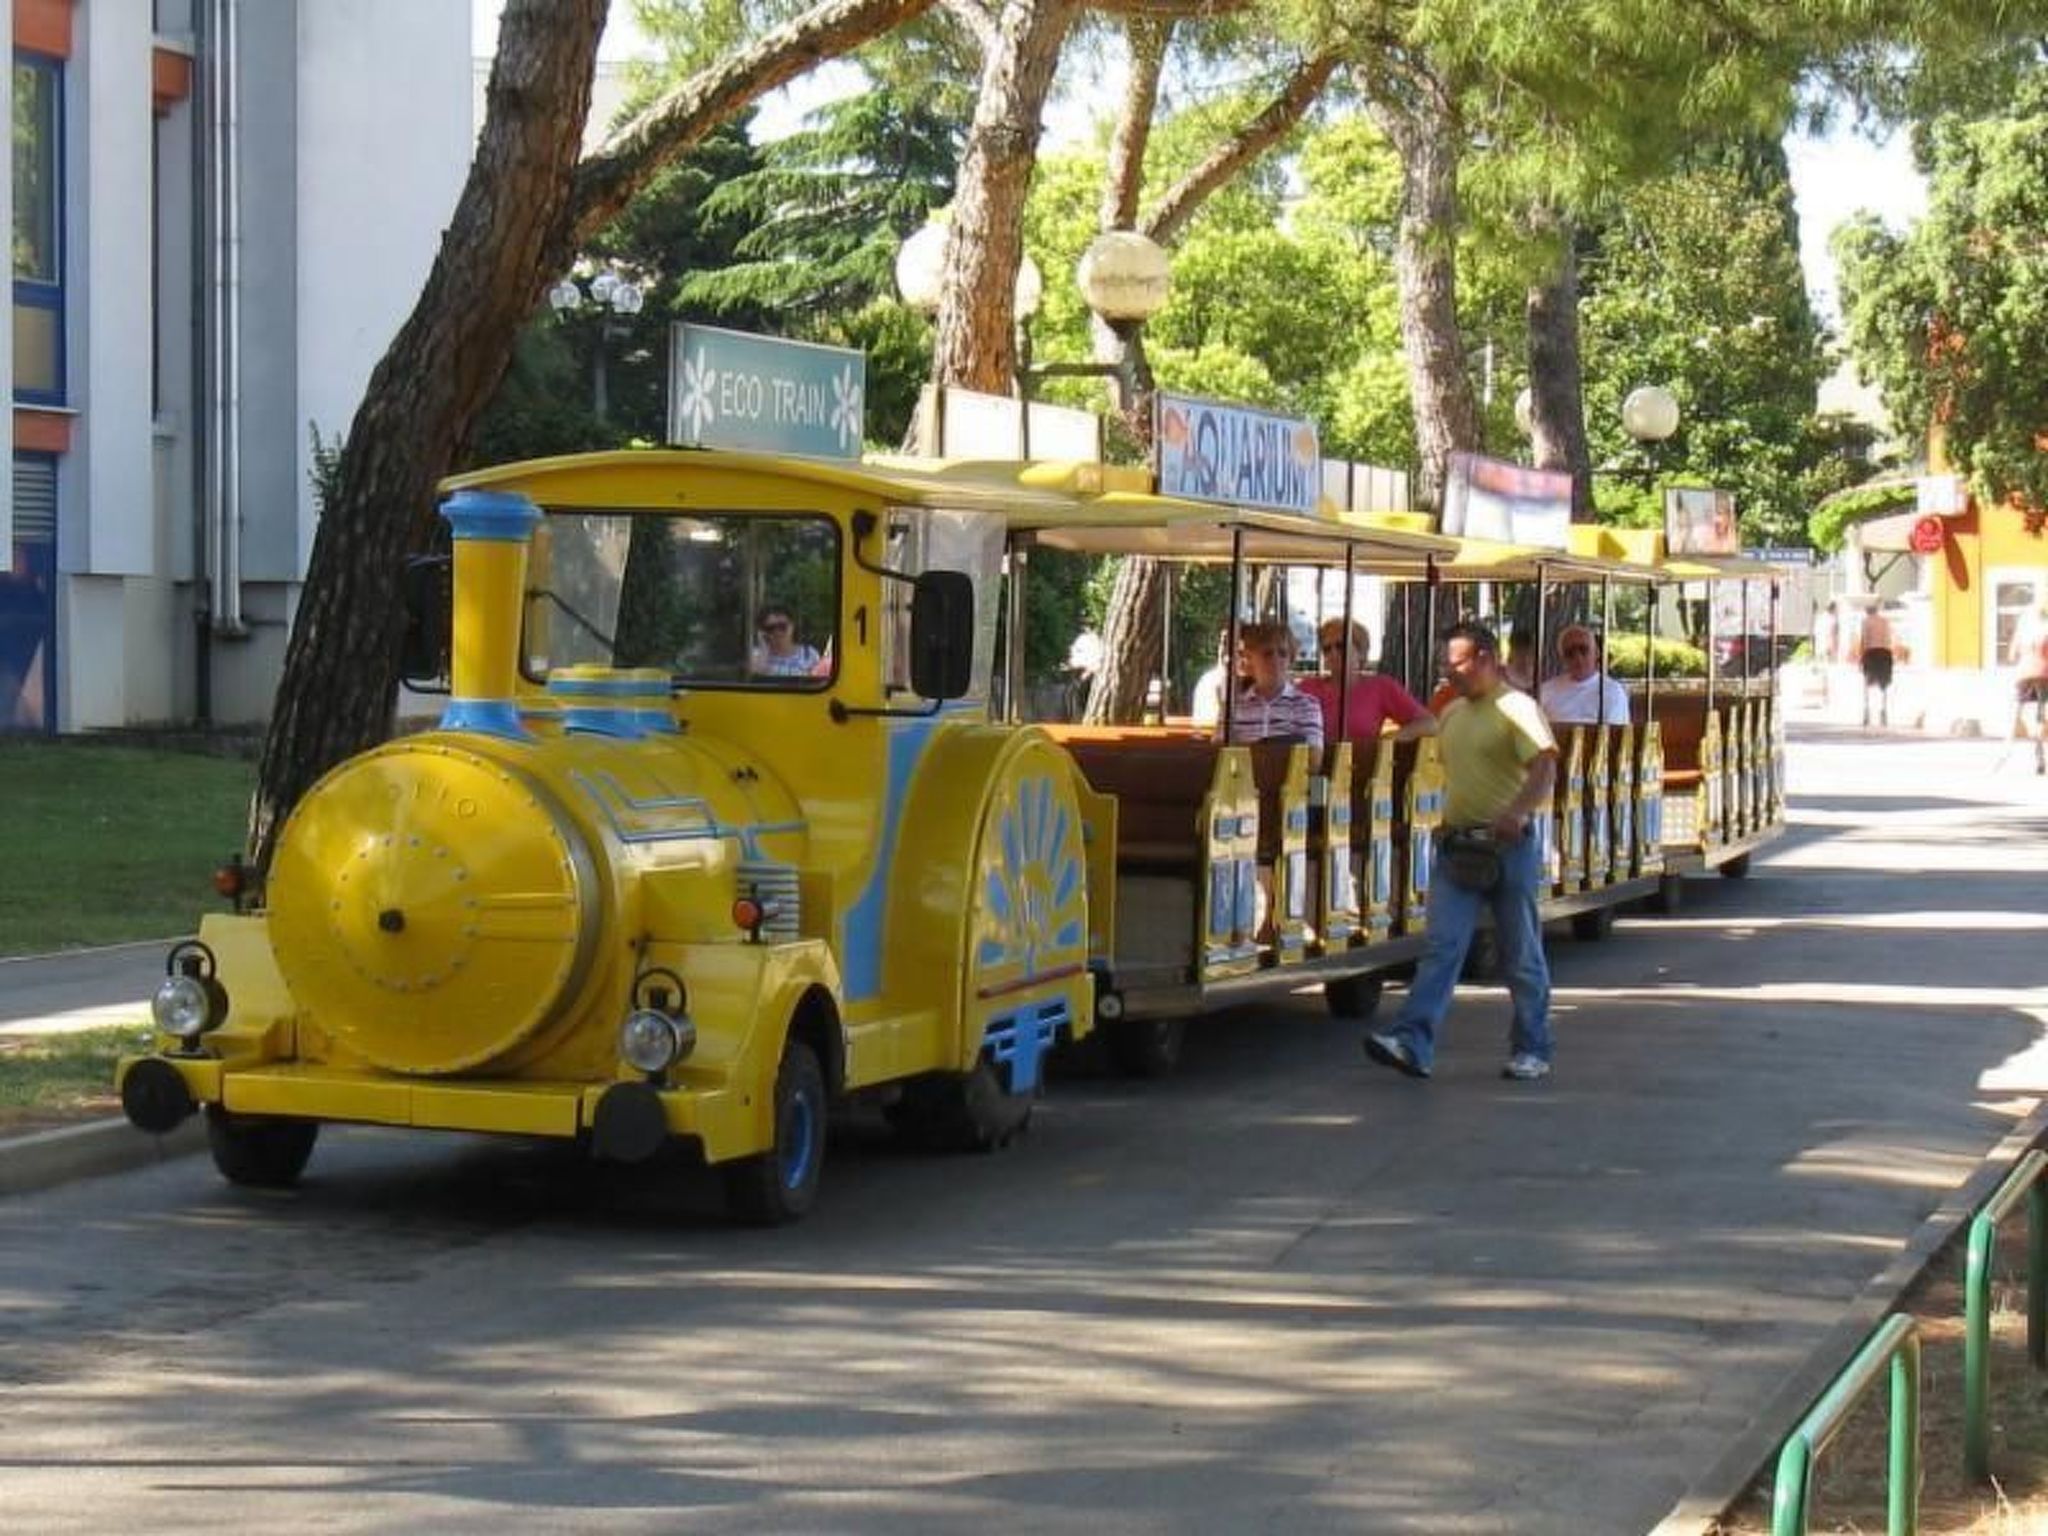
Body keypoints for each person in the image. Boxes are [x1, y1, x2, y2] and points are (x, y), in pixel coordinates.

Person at [1363, 620, 1560, 1083]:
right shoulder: (1451, 713)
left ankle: (1533, 1046)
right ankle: (1413, 1042)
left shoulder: (1518, 708)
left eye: (1458, 664)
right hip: (1457, 845)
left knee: (1520, 951)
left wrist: (1518, 812)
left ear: (1487, 660)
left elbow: (1544, 767)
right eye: (1446, 665)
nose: (1450, 674)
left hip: (1508, 848)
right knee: (1442, 945)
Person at [1301, 619, 1436, 745]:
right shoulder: (1307, 688)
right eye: (1327, 649)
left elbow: (1430, 724)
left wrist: (1391, 739)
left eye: (1340, 646)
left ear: (1361, 652)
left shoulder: (1381, 687)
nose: (1333, 653)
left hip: (1364, 766)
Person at [1217, 622, 1323, 748]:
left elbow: (1313, 760)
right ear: (1250, 659)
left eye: (1283, 654)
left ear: (1291, 660)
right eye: (1267, 654)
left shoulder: (1306, 705)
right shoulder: (1232, 707)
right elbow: (1219, 752)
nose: (1275, 660)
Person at [1537, 624, 1632, 726]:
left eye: (1583, 650)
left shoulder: (1613, 692)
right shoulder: (1546, 691)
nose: (1578, 658)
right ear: (1562, 659)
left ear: (1596, 653)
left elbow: (1616, 735)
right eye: (1570, 653)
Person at [2012, 602, 2048, 775]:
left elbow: (2012, 655)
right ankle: (2040, 755)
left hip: (2024, 675)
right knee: (2041, 716)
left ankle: (2007, 749)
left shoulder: (2023, 631)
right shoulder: (2046, 629)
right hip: (2045, 674)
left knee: (2018, 713)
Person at [751, 605, 823, 678]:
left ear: (793, 626)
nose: (777, 632)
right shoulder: (756, 655)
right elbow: (755, 678)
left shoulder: (809, 654)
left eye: (782, 626)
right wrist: (764, 649)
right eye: (770, 628)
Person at [1854, 603, 1895, 728]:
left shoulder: (1866, 621)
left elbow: (1865, 640)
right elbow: (1889, 639)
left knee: (1867, 683)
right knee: (1884, 684)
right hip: (1885, 652)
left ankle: (1867, 713)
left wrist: (1861, 658)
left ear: (1867, 611)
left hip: (1872, 652)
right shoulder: (1885, 621)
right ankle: (1883, 711)